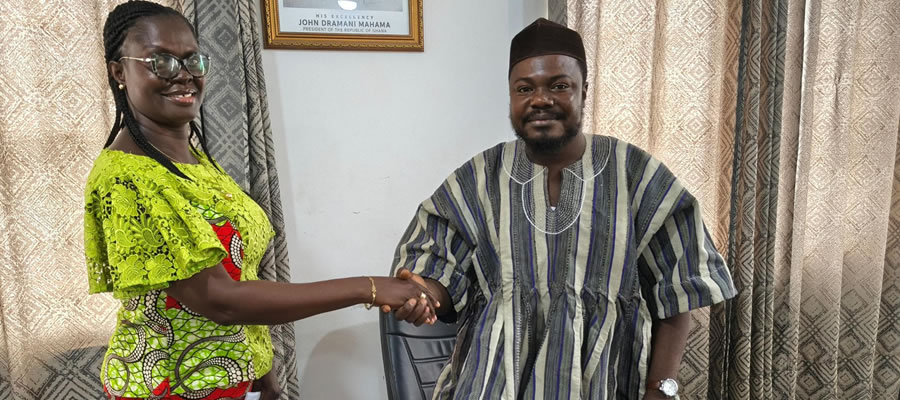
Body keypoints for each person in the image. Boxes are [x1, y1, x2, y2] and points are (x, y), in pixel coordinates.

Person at [83, 2, 438, 399]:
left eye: (192, 60)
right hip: (169, 386)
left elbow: (240, 274)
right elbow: (220, 300)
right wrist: (369, 287)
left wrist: (260, 370)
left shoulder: (193, 161)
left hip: (230, 378)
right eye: (160, 62)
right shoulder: (127, 176)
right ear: (119, 72)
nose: (183, 75)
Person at [388, 18, 736, 399]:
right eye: (525, 88)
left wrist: (661, 389)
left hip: (605, 387)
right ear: (510, 96)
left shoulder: (635, 174)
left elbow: (679, 291)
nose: (540, 99)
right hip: (491, 386)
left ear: (583, 91)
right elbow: (434, 269)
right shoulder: (479, 178)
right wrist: (422, 293)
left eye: (559, 85)